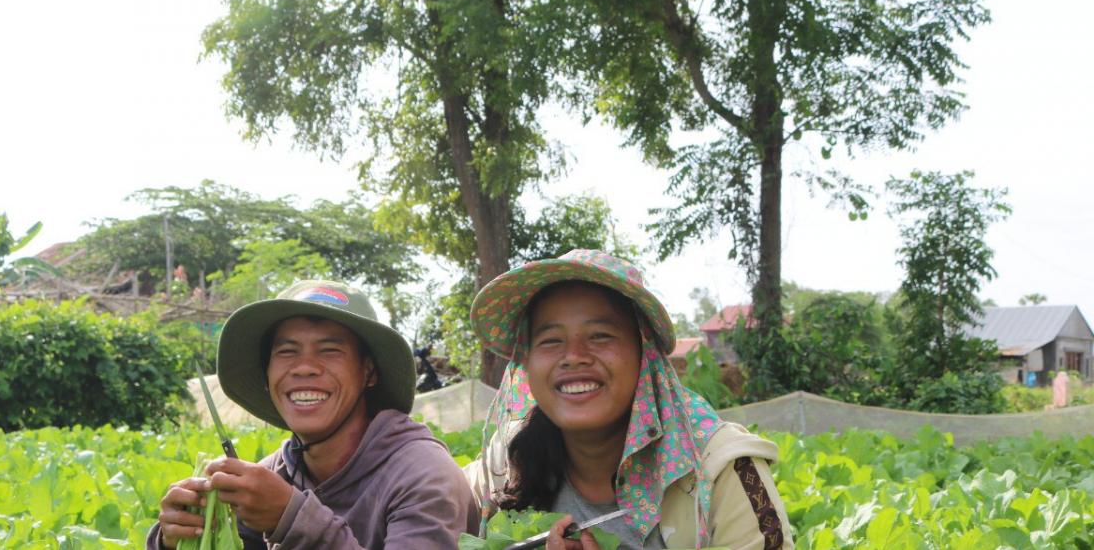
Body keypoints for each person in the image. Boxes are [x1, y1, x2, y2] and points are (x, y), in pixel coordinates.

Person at [466, 250, 794, 550]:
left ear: (645, 353)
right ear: (525, 363)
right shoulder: (506, 461)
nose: (574, 356)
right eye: (550, 340)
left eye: (600, 335)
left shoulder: (721, 471)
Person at [148, 280, 479, 549]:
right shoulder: (275, 475)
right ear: (266, 376)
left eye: (330, 350)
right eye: (287, 351)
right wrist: (173, 537)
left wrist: (291, 519)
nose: (304, 367)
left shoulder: (422, 476)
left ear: (369, 372)